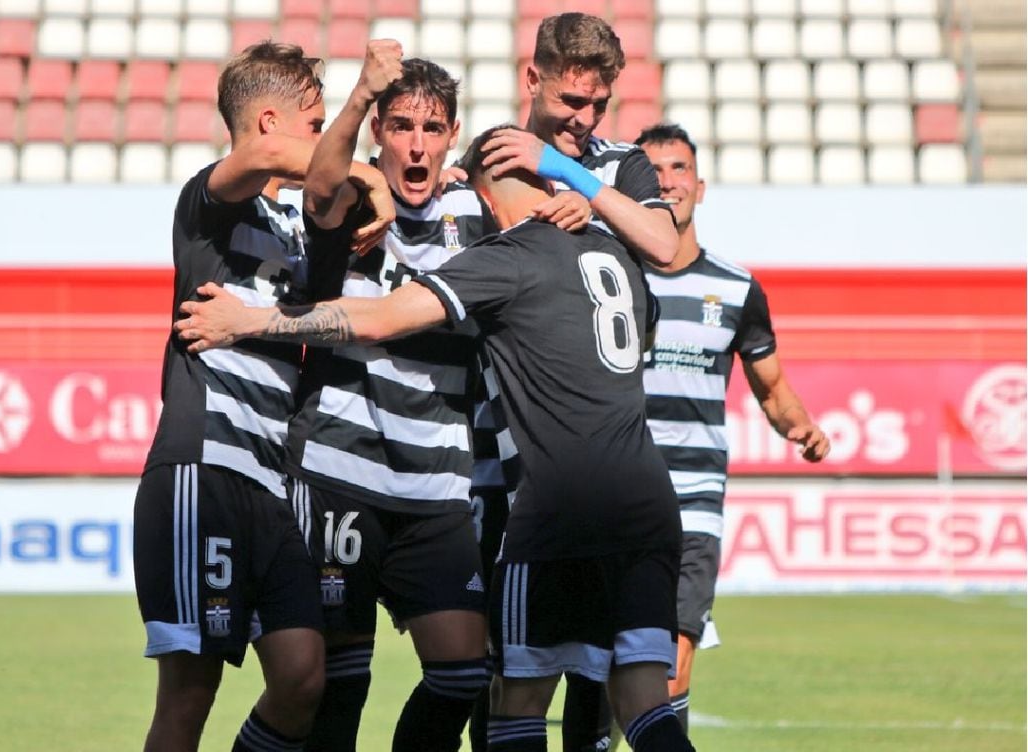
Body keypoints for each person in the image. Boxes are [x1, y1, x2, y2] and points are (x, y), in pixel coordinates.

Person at [173, 124, 697, 752]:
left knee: (517, 704)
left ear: (487, 197)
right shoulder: (617, 255)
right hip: (649, 506)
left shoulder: (505, 258)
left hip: (560, 509)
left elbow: (381, 318)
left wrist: (250, 320)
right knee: (643, 701)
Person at [131, 40, 393, 752]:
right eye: (316, 125)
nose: (327, 141)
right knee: (189, 697)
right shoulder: (209, 203)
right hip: (204, 470)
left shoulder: (301, 228)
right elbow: (266, 159)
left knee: (303, 676)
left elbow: (328, 194)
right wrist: (365, 140)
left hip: (271, 484)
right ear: (271, 122)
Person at [465, 13, 682, 750]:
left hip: (587, 466)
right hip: (499, 464)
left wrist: (576, 181)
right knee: (497, 679)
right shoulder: (489, 158)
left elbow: (663, 243)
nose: (584, 120)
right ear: (533, 79)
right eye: (570, 101)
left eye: (598, 105)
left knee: (593, 697)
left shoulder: (619, 165)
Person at [635, 123, 831, 733]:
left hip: (695, 500)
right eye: (653, 171)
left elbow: (772, 389)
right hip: (619, 492)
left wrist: (801, 426)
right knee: (609, 666)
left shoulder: (736, 287)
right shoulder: (610, 277)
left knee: (671, 661)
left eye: (679, 169)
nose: (668, 181)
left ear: (700, 186)